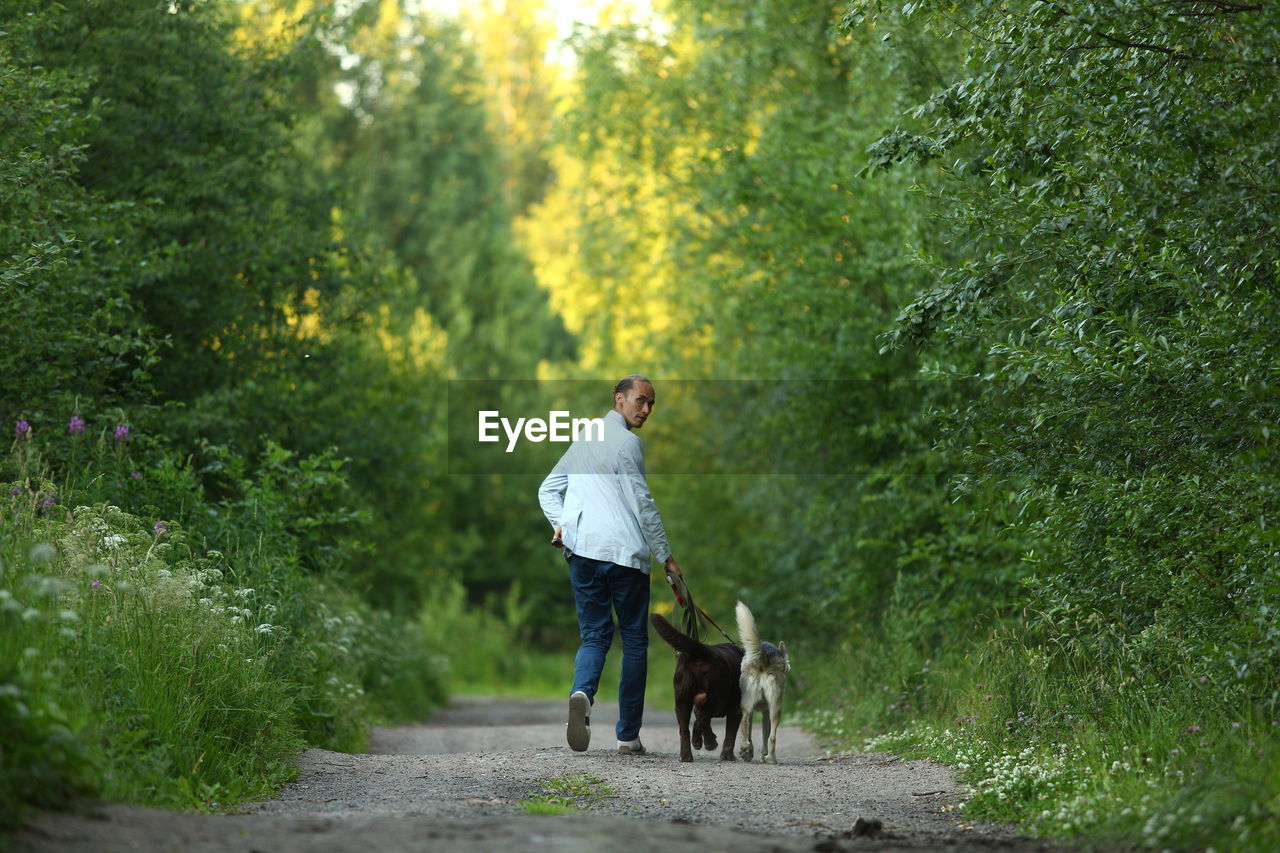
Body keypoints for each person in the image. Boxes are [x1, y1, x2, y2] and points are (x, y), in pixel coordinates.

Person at [538, 374, 683, 755]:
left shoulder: (584, 437)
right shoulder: (627, 444)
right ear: (619, 399)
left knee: (595, 635)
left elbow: (548, 489)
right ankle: (627, 736)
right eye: (640, 401)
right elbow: (643, 505)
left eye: (651, 403)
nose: (647, 409)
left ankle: (581, 692)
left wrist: (564, 527)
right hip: (624, 556)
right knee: (634, 641)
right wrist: (666, 557)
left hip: (582, 551)